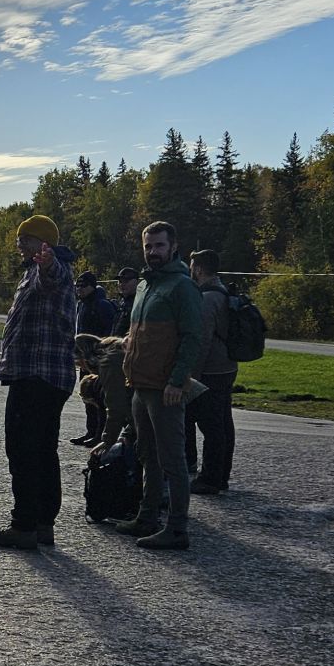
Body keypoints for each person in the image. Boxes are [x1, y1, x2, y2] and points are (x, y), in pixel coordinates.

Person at [0, 214, 78, 550]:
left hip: (38, 374)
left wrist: (47, 262)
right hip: (41, 374)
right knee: (42, 450)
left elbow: (52, 277)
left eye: (26, 239)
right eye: (19, 239)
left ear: (43, 244)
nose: (19, 244)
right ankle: (42, 524)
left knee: (22, 448)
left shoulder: (52, 269)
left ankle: (23, 524)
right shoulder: (33, 271)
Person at [115, 221, 204, 550]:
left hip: (165, 388)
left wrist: (177, 381)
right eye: (148, 246)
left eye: (159, 246)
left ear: (173, 246)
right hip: (141, 384)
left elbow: (193, 338)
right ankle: (147, 517)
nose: (153, 252)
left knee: (172, 461)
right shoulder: (143, 286)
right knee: (147, 456)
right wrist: (130, 342)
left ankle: (177, 529)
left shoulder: (182, 286)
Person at [184, 249, 238, 495]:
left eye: (192, 266)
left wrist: (191, 376)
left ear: (199, 269)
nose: (190, 270)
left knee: (212, 426)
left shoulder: (207, 299)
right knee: (224, 423)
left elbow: (201, 340)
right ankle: (221, 475)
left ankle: (210, 478)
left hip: (211, 371)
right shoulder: (224, 292)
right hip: (227, 367)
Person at [69, 270, 119, 445]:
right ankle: (90, 431)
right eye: (78, 286)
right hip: (85, 360)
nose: (79, 289)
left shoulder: (102, 305)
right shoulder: (81, 304)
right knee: (87, 396)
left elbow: (110, 332)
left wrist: (100, 356)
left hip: (99, 361)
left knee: (101, 399)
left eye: (84, 286)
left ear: (93, 286)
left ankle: (100, 435)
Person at [112, 266, 141, 335]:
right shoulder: (122, 302)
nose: (122, 284)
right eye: (120, 281)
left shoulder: (139, 302)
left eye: (126, 281)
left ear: (136, 282)